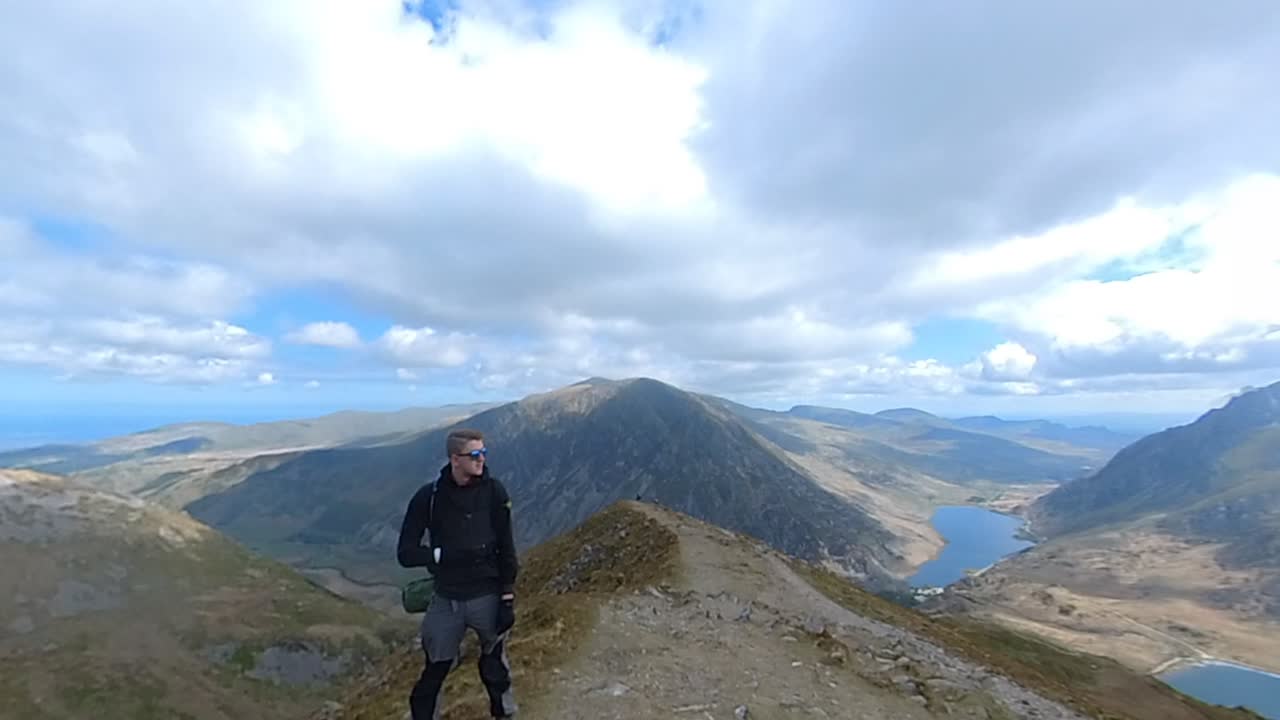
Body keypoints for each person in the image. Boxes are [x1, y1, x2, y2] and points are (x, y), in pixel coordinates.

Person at [397, 428, 519, 719]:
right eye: (474, 455)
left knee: (494, 665)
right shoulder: (429, 498)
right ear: (455, 459)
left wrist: (507, 597)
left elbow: (507, 546)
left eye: (484, 453)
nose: (482, 460)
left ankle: (505, 714)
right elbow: (405, 553)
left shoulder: (494, 492)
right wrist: (441, 556)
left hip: (487, 595)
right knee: (435, 670)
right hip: (446, 598)